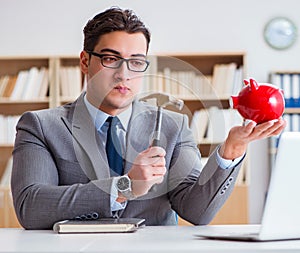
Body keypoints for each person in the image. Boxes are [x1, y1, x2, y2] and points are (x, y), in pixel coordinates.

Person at [11, 7, 286, 230]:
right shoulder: (41, 125)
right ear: (85, 61)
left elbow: (197, 211)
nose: (124, 74)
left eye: (136, 61)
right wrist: (124, 187)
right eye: (110, 59)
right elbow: (31, 208)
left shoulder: (172, 127)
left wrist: (232, 150)